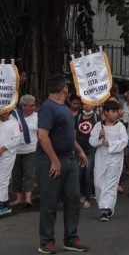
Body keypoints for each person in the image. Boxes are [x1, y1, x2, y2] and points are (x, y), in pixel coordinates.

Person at [36, 75, 89, 253]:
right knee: (50, 202)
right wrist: (54, 160)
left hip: (69, 160)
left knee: (73, 200)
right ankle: (46, 241)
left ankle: (71, 238)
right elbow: (42, 136)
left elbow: (68, 136)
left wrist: (80, 151)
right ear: (64, 89)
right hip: (51, 162)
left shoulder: (65, 109)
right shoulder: (47, 108)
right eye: (67, 88)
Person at [89, 100, 128, 222]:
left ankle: (105, 209)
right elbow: (92, 142)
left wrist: (110, 143)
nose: (115, 114)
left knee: (111, 183)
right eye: (113, 112)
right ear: (106, 112)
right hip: (101, 158)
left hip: (114, 159)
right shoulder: (98, 126)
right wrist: (100, 137)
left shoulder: (120, 126)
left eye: (117, 112)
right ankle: (104, 206)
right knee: (99, 183)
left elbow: (124, 141)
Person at [10, 95, 38, 208]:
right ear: (23, 106)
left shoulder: (37, 116)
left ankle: (28, 199)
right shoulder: (13, 116)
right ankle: (18, 199)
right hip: (15, 151)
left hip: (31, 150)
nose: (33, 108)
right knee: (16, 175)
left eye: (34, 105)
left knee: (29, 175)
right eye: (30, 106)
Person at [75, 103, 98, 209]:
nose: (86, 106)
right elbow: (74, 132)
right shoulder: (78, 117)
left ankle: (88, 198)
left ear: (93, 106)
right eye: (84, 104)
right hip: (79, 150)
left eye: (88, 104)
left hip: (91, 149)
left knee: (88, 173)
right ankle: (82, 194)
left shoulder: (97, 116)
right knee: (79, 173)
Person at [0, 110, 21, 216]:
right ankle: (5, 202)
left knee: (3, 178)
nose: (3, 115)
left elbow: (17, 140)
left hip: (7, 154)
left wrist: (3, 148)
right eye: (2, 113)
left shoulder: (13, 123)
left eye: (5, 112)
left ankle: (2, 205)